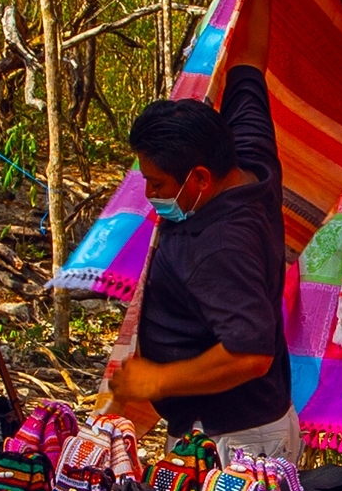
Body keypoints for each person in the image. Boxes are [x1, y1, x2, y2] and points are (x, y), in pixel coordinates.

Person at [102, 62, 297, 459]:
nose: (150, 193)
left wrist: (158, 380)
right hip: (234, 431)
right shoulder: (249, 160)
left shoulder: (219, 246)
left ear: (200, 179)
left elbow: (251, 354)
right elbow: (248, 60)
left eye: (157, 184)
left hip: (234, 444)